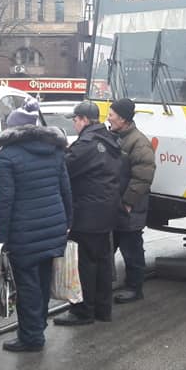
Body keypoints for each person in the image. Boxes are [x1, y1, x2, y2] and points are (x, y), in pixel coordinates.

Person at [0, 97, 72, 352]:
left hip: (24, 231)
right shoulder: (55, 151)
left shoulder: (8, 157)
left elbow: (4, 201)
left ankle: (32, 337)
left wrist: (0, 239)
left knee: (26, 285)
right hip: (53, 226)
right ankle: (37, 327)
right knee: (42, 280)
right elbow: (65, 190)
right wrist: (67, 222)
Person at [54, 101, 123, 327]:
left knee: (84, 263)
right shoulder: (109, 139)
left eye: (75, 120)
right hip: (107, 211)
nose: (74, 124)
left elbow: (64, 168)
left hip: (87, 213)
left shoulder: (86, 144)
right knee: (103, 261)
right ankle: (103, 309)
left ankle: (83, 312)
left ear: (84, 119)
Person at [106, 98, 156, 304]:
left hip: (129, 206)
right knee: (113, 244)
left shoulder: (138, 142)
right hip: (116, 203)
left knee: (131, 246)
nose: (108, 118)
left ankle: (135, 288)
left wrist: (127, 203)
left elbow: (143, 176)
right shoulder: (115, 136)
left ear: (123, 119)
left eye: (112, 115)